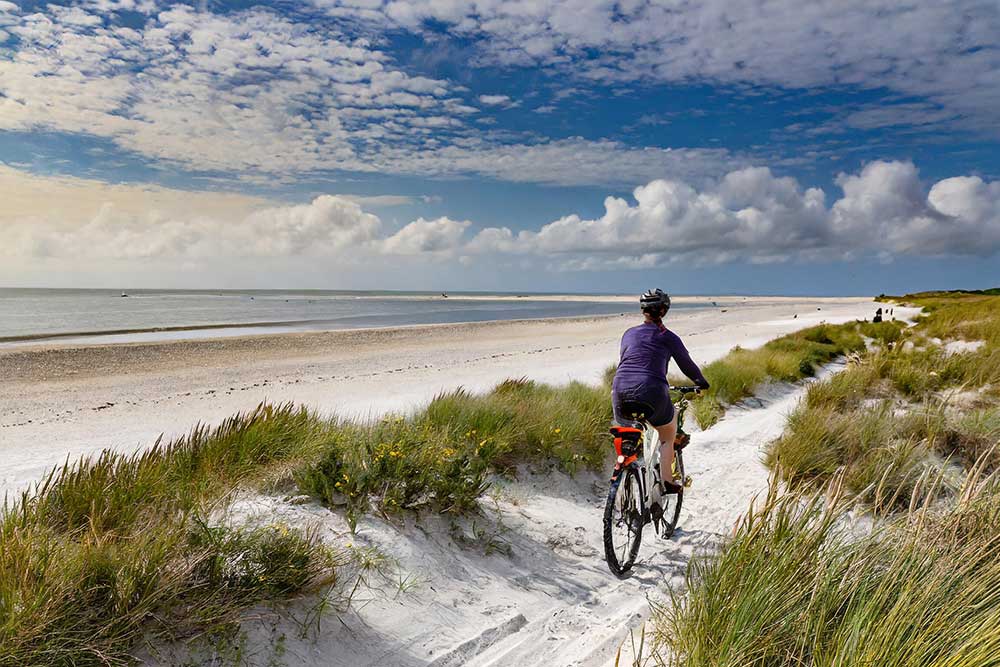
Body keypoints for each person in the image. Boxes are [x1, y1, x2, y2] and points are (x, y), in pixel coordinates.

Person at [612, 289, 709, 494]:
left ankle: (624, 485)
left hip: (619, 390)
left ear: (643, 310)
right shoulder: (668, 337)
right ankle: (666, 480)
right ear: (664, 311)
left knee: (628, 431)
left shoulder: (628, 333)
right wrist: (701, 382)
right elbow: (686, 365)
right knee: (667, 432)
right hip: (651, 390)